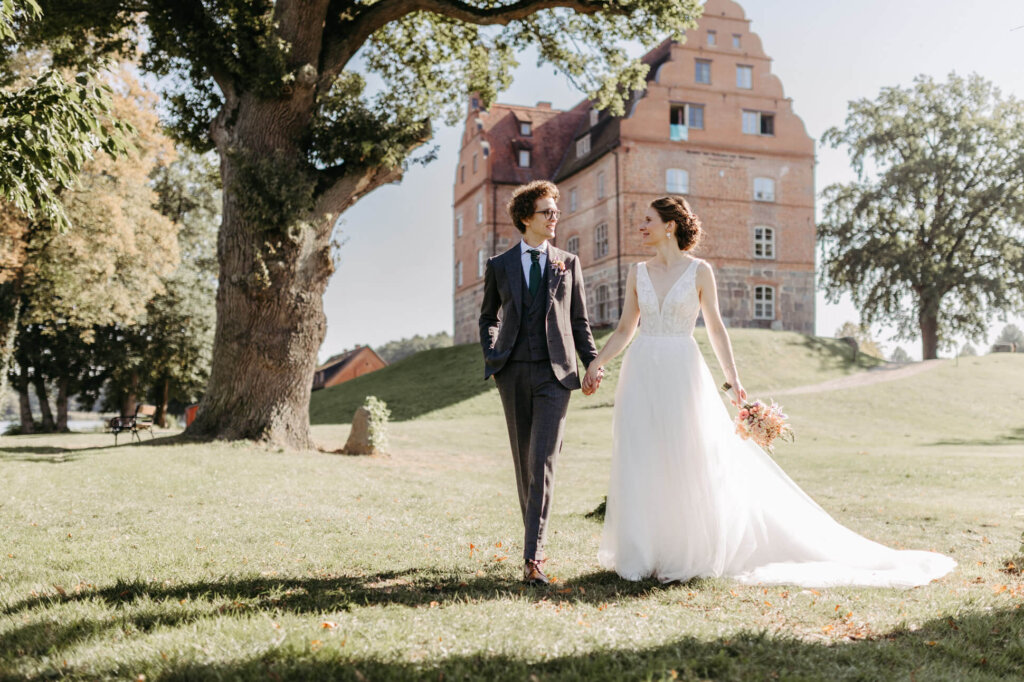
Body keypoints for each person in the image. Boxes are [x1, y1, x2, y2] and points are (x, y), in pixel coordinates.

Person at [583, 196, 956, 587]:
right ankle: (642, 553)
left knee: (685, 456)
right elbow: (626, 328)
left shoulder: (699, 271)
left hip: (681, 369)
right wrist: (598, 362)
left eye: (648, 220)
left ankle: (683, 549)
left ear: (670, 226)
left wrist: (734, 380)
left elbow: (715, 329)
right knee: (642, 455)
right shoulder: (637, 272)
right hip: (642, 369)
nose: (641, 226)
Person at [479, 180, 603, 585]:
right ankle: (534, 546)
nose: (555, 218)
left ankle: (533, 558)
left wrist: (592, 363)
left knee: (543, 462)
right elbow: (488, 317)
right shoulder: (500, 265)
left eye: (556, 212)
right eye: (547, 212)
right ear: (525, 218)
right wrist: (493, 356)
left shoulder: (568, 261)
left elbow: (579, 320)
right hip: (512, 373)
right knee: (524, 465)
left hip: (556, 375)